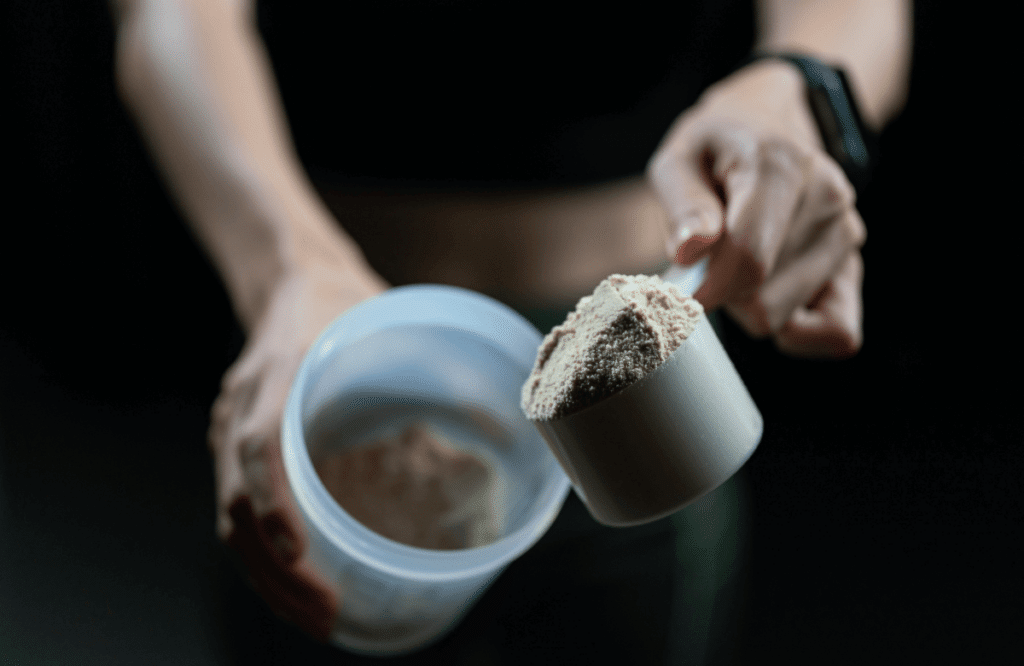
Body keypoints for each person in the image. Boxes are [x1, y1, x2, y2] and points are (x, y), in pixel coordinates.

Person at [108, 0, 911, 660]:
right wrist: (285, 268)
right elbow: (172, 16)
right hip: (334, 355)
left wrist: (797, 87)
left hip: (638, 392)